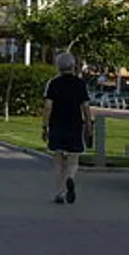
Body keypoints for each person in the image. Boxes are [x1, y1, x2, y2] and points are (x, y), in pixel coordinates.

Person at [42, 51, 92, 204]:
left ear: (58, 66)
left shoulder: (53, 83)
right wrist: (89, 123)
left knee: (58, 160)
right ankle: (70, 177)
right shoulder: (80, 84)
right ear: (73, 66)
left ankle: (59, 192)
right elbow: (85, 106)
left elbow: (48, 106)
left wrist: (44, 126)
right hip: (74, 124)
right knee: (73, 159)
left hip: (57, 124)